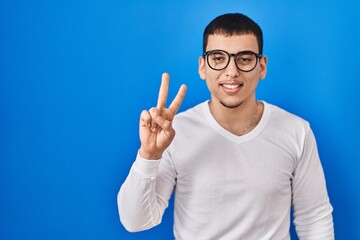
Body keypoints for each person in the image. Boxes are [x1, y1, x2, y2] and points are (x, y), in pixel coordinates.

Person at [117, 13, 334, 239]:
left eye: (245, 59)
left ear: (262, 66)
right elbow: (135, 222)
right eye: (218, 58)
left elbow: (314, 217)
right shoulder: (173, 133)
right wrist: (149, 156)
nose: (231, 72)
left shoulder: (296, 131)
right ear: (202, 67)